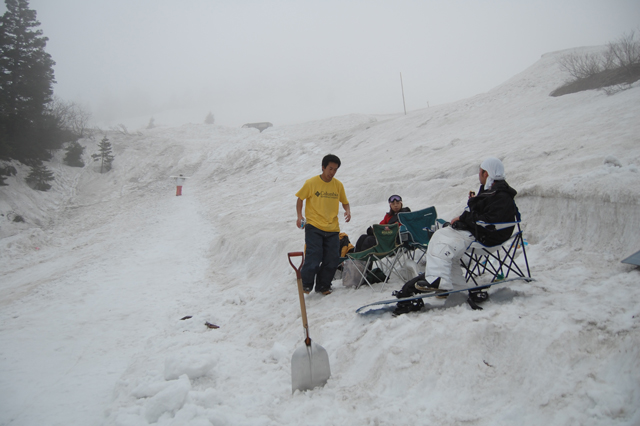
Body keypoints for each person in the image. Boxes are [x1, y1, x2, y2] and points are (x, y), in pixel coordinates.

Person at [392, 157, 518, 315]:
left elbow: (489, 220)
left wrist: (464, 220)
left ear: (486, 173)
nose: (479, 175)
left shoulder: (499, 196)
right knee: (444, 240)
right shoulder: (497, 192)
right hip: (485, 233)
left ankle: (437, 280)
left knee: (442, 239)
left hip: (485, 236)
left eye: (480, 172)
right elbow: (484, 215)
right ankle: (459, 290)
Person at [296, 154, 351, 295]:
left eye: (335, 170)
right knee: (314, 255)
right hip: (314, 226)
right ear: (323, 167)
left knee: (332, 259)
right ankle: (307, 284)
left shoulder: (338, 185)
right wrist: (300, 216)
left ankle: (323, 286)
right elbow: (300, 199)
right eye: (330, 169)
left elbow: (344, 201)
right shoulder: (311, 183)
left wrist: (347, 211)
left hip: (332, 228)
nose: (332, 172)